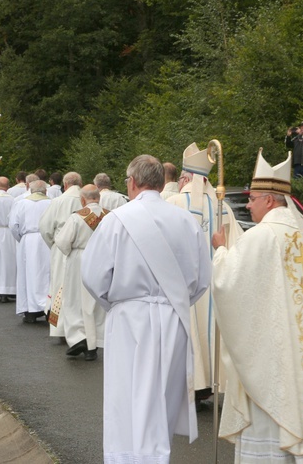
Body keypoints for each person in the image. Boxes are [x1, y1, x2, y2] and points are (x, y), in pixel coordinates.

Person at [210, 148, 303, 462]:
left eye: (252, 198)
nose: (249, 204)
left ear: (270, 200)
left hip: (275, 357)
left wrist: (220, 252)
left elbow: (229, 285)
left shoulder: (262, 236)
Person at [81, 155, 211, 463]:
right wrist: (173, 302)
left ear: (133, 182)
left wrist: (116, 304)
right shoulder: (185, 221)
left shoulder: (117, 219)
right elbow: (202, 279)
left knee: (127, 399)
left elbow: (92, 275)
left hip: (129, 321)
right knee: (160, 401)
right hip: (173, 319)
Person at [167, 142, 243, 405]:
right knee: (212, 330)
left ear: (186, 179)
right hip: (215, 281)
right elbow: (238, 245)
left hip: (185, 285)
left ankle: (194, 385)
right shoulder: (224, 206)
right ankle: (211, 382)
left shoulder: (174, 202)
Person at [55, 185, 108, 361]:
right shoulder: (110, 216)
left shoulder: (77, 217)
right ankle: (96, 341)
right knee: (97, 303)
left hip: (79, 260)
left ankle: (80, 338)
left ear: (83, 199)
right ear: (99, 198)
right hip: (103, 260)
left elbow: (63, 242)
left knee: (75, 300)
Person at [39, 172, 83, 337]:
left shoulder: (57, 201)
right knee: (79, 289)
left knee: (60, 287)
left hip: (60, 250)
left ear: (65, 185)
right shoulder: (87, 199)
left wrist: (55, 244)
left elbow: (45, 227)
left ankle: (62, 328)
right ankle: (80, 330)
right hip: (83, 250)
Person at [9, 180, 52, 323]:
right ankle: (47, 308)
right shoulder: (52, 203)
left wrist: (22, 239)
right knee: (47, 274)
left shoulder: (21, 203)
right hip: (47, 241)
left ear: (30, 190)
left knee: (28, 274)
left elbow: (14, 226)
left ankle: (30, 311)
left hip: (28, 241)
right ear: (45, 190)